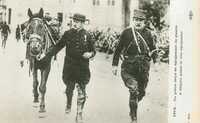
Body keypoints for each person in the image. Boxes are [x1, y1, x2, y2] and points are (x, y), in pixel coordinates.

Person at [39, 13, 96, 123]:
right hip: (69, 67)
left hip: (82, 67)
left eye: (78, 22)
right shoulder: (67, 34)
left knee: (82, 91)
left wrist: (90, 54)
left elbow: (93, 50)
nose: (75, 23)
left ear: (83, 24)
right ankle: (69, 102)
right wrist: (46, 55)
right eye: (74, 21)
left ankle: (79, 114)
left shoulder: (87, 35)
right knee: (69, 89)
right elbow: (57, 47)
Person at [112, 9, 157, 123]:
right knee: (134, 89)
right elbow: (118, 50)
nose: (138, 22)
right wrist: (114, 65)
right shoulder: (126, 32)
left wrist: (156, 62)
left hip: (143, 70)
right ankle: (134, 117)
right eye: (136, 20)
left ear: (144, 22)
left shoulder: (148, 34)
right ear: (133, 20)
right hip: (128, 69)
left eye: (140, 20)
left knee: (141, 93)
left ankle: (133, 107)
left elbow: (153, 49)